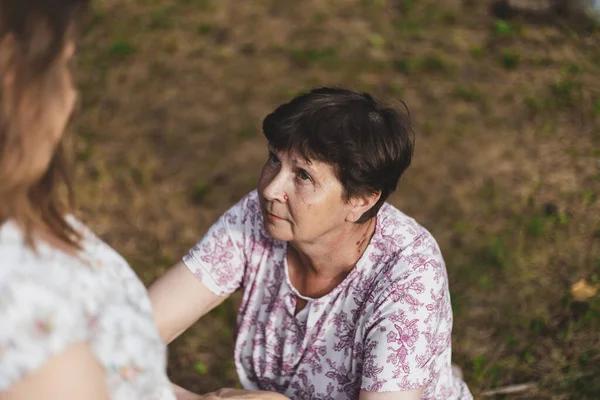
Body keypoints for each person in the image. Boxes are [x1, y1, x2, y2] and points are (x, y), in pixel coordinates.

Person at [150, 88, 473, 400]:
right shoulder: (257, 217)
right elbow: (128, 333)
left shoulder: (410, 278)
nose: (271, 189)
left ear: (360, 199)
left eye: (303, 176)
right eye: (274, 160)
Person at [0, 1, 175, 399]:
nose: (71, 96)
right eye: (64, 66)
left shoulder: (25, 211)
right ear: (12, 76)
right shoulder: (23, 313)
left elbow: (120, 374)